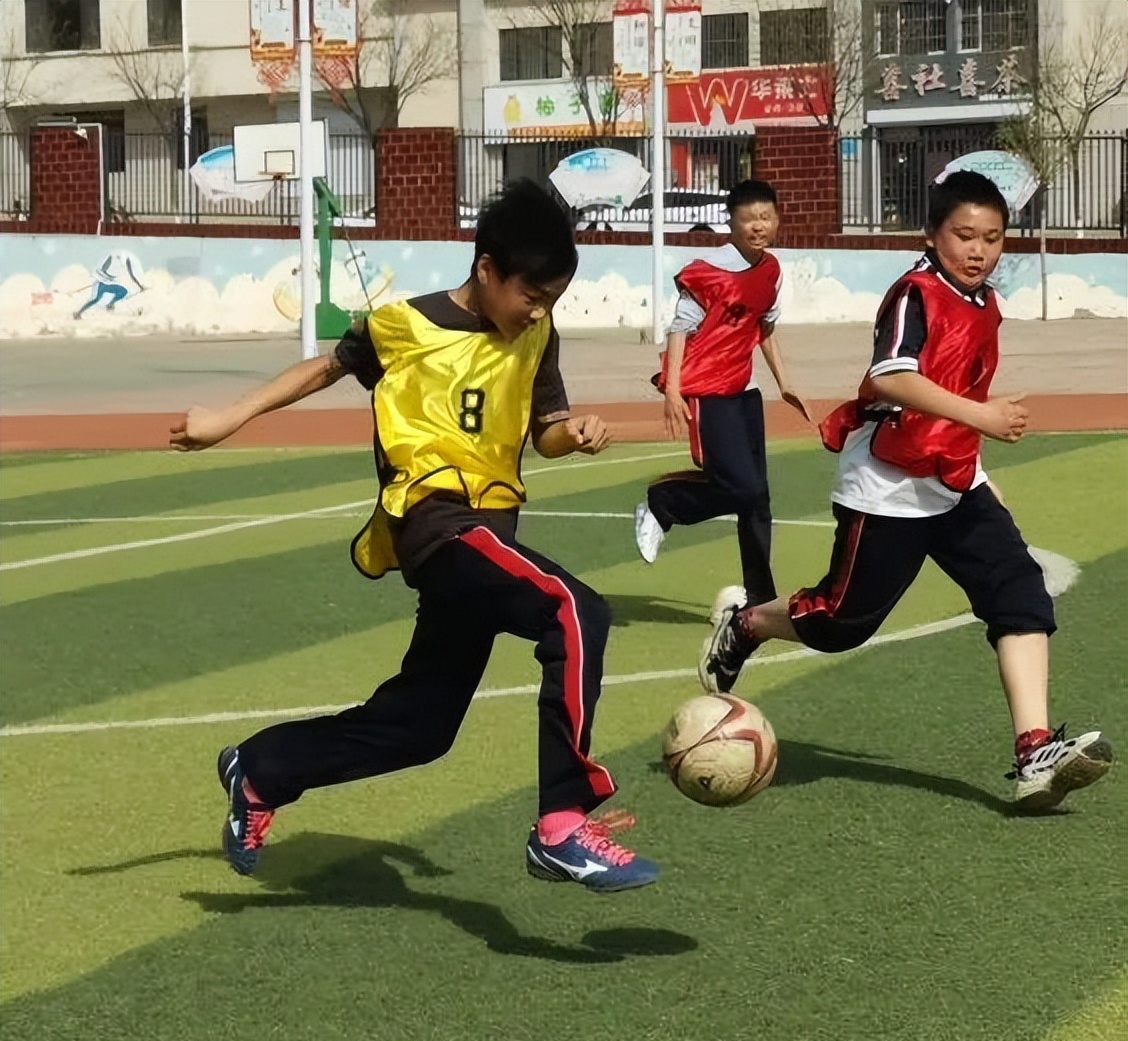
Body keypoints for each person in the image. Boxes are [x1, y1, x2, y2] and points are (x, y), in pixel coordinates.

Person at [170, 180, 659, 892]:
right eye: (531, 295)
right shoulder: (404, 326)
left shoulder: (535, 335)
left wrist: (571, 433)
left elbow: (543, 428)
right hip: (433, 521)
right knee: (576, 610)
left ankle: (261, 770)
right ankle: (563, 822)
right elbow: (323, 369)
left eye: (552, 300)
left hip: (488, 534)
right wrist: (228, 416)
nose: (538, 312)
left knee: (420, 729)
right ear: (487, 269)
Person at [697, 170, 1112, 813]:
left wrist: (978, 473)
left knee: (1020, 594)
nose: (978, 250)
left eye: (993, 238)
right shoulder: (913, 295)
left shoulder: (984, 303)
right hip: (887, 488)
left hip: (950, 479)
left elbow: (958, 398)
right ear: (932, 234)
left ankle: (1033, 753)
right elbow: (890, 377)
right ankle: (747, 623)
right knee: (840, 624)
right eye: (963, 235)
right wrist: (984, 421)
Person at [633, 179, 810, 613]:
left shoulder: (770, 270)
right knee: (740, 487)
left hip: (744, 390)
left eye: (766, 217)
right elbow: (679, 329)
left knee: (758, 498)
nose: (758, 226)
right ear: (731, 222)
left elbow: (764, 329)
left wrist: (784, 381)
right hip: (708, 388)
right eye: (748, 218)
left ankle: (760, 596)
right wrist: (673, 390)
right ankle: (663, 503)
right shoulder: (709, 272)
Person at [73, 250, 145, 319]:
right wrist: (140, 287)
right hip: (103, 281)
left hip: (105, 281)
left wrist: (140, 286)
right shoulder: (113, 258)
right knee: (98, 298)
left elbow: (131, 276)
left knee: (120, 292)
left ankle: (80, 312)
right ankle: (79, 313)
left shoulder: (120, 258)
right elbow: (103, 270)